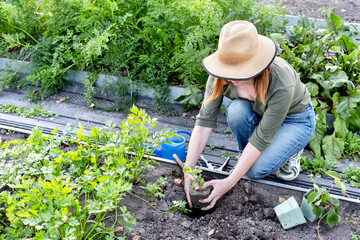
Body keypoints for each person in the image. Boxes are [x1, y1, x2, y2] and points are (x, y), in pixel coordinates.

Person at [183, 20, 316, 211]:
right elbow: (204, 123)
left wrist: (229, 182)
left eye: (240, 70)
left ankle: (290, 151)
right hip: (261, 114)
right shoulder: (220, 74)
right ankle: (251, 157)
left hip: (296, 120)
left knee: (254, 172)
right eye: (229, 69)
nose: (232, 77)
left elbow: (261, 138)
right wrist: (189, 170)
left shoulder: (280, 82)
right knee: (236, 111)